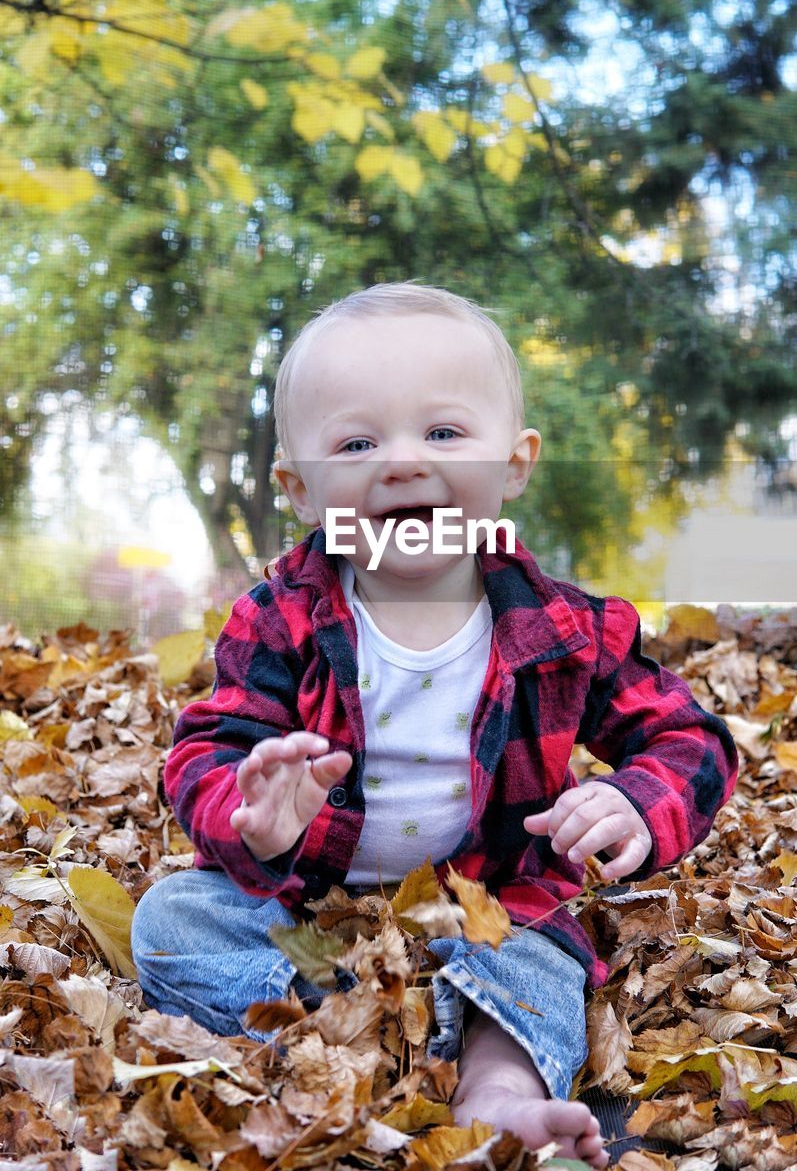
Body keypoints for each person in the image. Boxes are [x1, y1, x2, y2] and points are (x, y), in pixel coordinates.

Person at [132, 282, 737, 1168]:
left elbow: (690, 739)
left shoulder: (567, 629)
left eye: (444, 433)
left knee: (543, 961)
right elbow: (207, 750)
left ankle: (496, 1095)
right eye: (357, 442)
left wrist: (639, 805)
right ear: (302, 489)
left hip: (490, 906)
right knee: (172, 920)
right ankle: (330, 1027)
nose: (404, 461)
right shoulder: (279, 619)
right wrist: (248, 818)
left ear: (515, 463)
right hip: (307, 911)